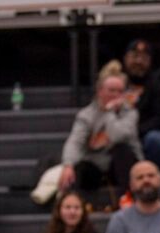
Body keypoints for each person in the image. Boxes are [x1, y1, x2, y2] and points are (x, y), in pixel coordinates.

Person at [59, 61, 142, 197]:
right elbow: (75, 142)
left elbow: (117, 136)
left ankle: (128, 199)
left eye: (120, 91)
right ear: (100, 91)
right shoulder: (86, 114)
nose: (115, 95)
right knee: (80, 168)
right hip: (97, 165)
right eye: (111, 90)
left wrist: (109, 113)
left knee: (122, 150)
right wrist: (68, 165)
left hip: (124, 165)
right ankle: (77, 205)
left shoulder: (130, 113)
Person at [122, 38, 160, 171]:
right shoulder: (116, 82)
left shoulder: (156, 86)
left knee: (158, 140)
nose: (138, 61)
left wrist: (136, 131)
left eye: (143, 58)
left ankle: (153, 175)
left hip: (143, 136)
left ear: (149, 61)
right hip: (117, 134)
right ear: (126, 58)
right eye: (134, 56)